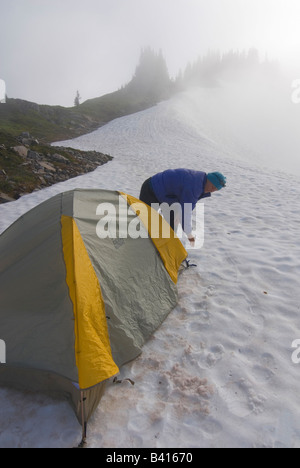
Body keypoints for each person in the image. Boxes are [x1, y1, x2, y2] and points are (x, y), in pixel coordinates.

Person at [139, 169, 226, 244]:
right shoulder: (195, 185)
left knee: (170, 228)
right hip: (151, 189)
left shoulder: (201, 181)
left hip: (169, 197)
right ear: (209, 180)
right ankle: (140, 245)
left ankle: (166, 248)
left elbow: (185, 207)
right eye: (212, 186)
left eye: (215, 189)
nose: (212, 190)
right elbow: (186, 211)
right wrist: (189, 234)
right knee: (145, 222)